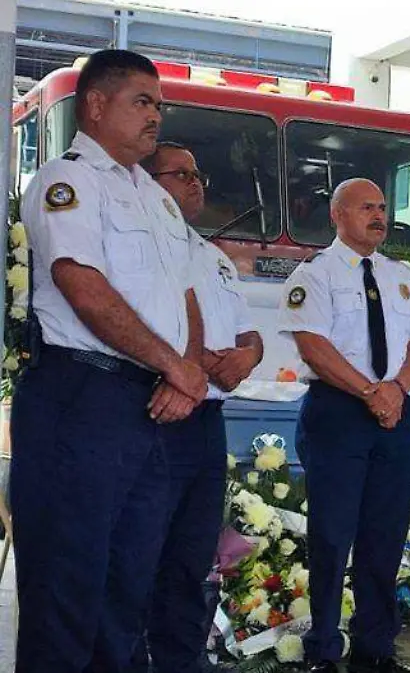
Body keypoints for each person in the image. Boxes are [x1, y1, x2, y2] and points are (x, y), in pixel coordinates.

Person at [10, 49, 208, 671]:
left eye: (160, 104)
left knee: (127, 591)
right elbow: (81, 284)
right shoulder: (68, 183)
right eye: (142, 101)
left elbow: (184, 296)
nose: (157, 115)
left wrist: (186, 371)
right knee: (67, 592)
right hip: (80, 399)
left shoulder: (154, 198)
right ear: (96, 105)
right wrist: (173, 365)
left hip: (145, 407)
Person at [278, 178, 410, 673]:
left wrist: (396, 390)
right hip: (339, 413)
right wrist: (371, 392)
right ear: (338, 215)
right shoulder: (316, 274)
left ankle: (375, 649)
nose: (379, 215)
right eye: (367, 207)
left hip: (393, 413)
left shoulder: (400, 275)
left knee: (384, 537)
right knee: (331, 535)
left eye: (383, 207)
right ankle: (322, 649)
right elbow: (313, 347)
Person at [141, 141, 263, 672]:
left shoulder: (214, 257)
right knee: (141, 549)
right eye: (181, 174)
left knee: (193, 554)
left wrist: (248, 356)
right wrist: (187, 365)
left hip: (207, 420)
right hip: (156, 412)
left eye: (198, 176)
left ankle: (181, 658)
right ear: (147, 183)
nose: (195, 184)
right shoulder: (141, 245)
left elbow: (248, 331)